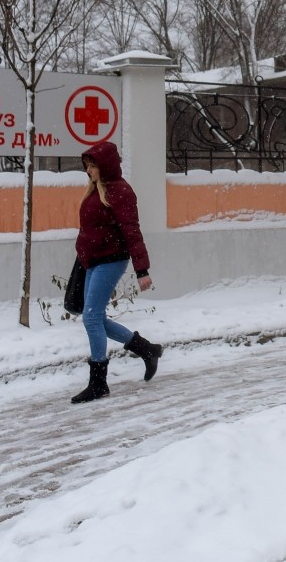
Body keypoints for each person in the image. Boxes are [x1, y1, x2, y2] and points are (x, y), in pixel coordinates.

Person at [70, 140, 163, 404]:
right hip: (92, 260)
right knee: (94, 318)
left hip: (111, 260)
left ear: (105, 166)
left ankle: (98, 383)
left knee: (91, 318)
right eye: (87, 166)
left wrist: (142, 269)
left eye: (93, 166)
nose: (89, 171)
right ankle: (147, 350)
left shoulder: (120, 191)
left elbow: (132, 230)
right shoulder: (95, 190)